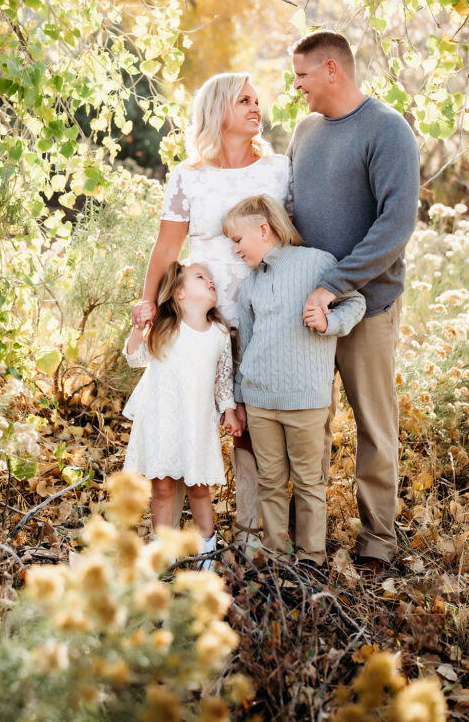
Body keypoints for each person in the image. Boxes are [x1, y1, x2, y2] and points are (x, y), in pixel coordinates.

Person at [131, 72, 292, 543]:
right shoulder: (188, 177)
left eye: (257, 100)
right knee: (190, 418)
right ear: (218, 109)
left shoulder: (279, 169)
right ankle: (174, 540)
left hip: (267, 316)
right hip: (203, 324)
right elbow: (165, 251)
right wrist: (149, 303)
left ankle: (251, 532)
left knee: (251, 427)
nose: (255, 107)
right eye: (244, 100)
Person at [289, 30, 420, 574]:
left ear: (331, 70)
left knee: (373, 424)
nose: (296, 88)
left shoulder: (387, 130)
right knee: (308, 421)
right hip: (310, 308)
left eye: (302, 77)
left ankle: (377, 543)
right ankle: (308, 540)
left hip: (369, 306)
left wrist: (335, 283)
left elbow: (396, 225)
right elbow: (292, 208)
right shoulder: (304, 131)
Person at [222, 195, 365, 562]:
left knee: (308, 482)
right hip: (259, 401)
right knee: (270, 481)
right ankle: (276, 558)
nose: (235, 250)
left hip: (305, 399)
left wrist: (329, 322)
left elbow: (355, 302)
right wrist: (238, 400)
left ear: (264, 229)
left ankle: (311, 558)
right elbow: (248, 344)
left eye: (237, 240)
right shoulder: (251, 285)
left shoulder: (317, 263)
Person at [123, 262, 242, 567]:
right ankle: (165, 557)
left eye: (211, 277)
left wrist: (228, 410)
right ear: (179, 293)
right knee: (162, 489)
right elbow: (135, 358)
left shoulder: (218, 333)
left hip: (196, 423)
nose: (210, 280)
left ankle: (206, 559)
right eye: (201, 277)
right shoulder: (166, 328)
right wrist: (139, 328)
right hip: (161, 420)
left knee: (199, 489)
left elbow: (222, 380)